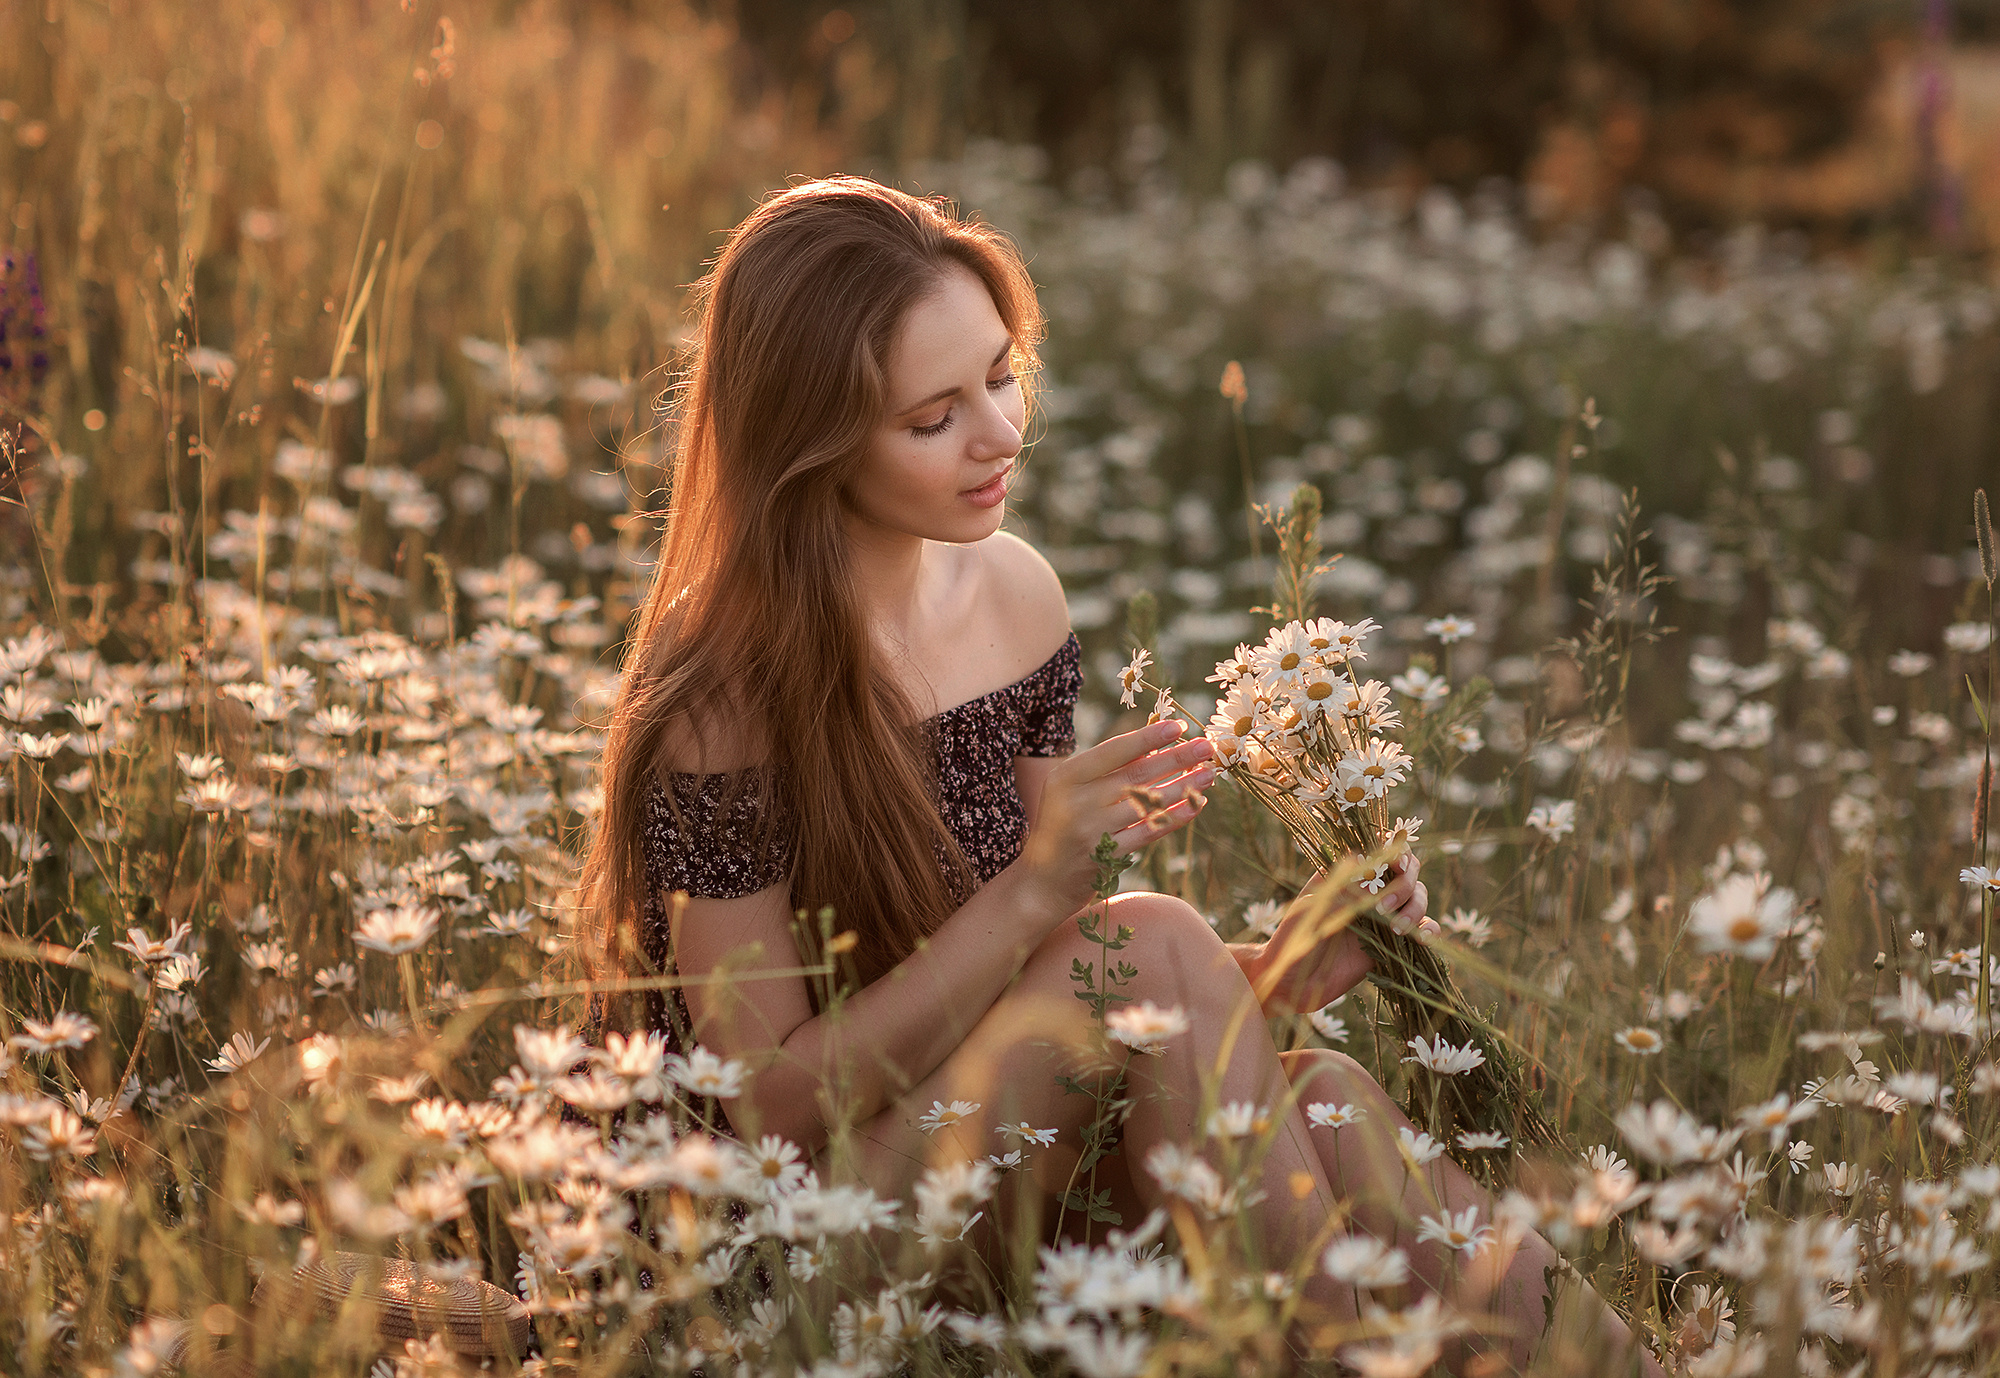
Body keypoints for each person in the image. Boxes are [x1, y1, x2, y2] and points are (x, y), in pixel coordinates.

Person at [578, 176, 1663, 1375]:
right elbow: (772, 1105)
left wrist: (1273, 973)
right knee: (1146, 940)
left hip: (986, 1154)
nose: (999, 435)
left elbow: (1061, 999)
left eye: (999, 377)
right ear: (810, 442)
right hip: (781, 1241)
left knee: (1327, 1092)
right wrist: (1037, 891)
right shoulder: (724, 692)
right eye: (931, 418)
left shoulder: (1015, 598)